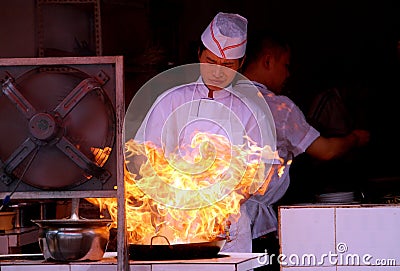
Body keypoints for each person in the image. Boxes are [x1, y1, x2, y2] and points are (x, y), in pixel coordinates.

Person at [132, 12, 276, 253]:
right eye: (211, 61)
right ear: (198, 54)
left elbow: (263, 168)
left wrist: (230, 199)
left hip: (227, 220)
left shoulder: (252, 111)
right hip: (174, 220)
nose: (218, 72)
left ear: (241, 63)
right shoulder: (171, 101)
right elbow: (142, 155)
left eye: (227, 65)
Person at [234, 29, 370, 270]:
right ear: (268, 60)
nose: (289, 73)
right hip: (253, 231)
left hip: (211, 224)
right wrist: (355, 139)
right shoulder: (277, 107)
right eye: (286, 65)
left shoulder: (222, 100)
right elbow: (325, 150)